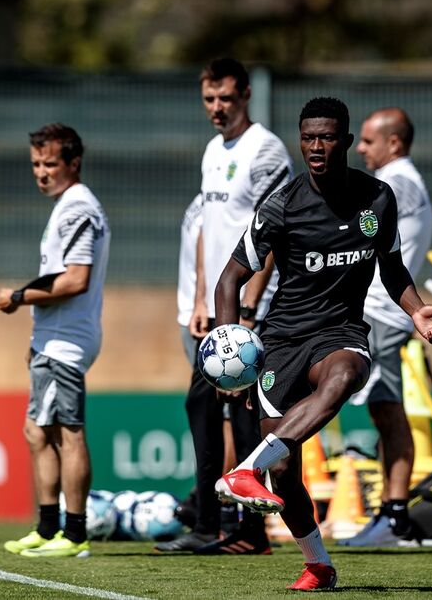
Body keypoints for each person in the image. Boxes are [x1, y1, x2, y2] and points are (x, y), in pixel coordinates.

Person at [212, 97, 432, 591]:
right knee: (285, 472)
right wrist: (227, 344)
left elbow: (391, 267)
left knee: (345, 375)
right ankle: (318, 563)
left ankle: (244, 469)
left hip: (341, 332)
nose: (316, 147)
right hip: (281, 340)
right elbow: (230, 279)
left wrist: (416, 311)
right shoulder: (281, 204)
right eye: (308, 138)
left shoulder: (378, 199)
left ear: (345, 141)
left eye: (326, 138)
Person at [154, 57, 292, 556]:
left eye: (226, 99)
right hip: (217, 308)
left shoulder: (266, 149)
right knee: (204, 406)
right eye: (209, 99)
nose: (216, 108)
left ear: (246, 95)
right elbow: (208, 229)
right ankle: (212, 524)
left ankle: (250, 531)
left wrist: (252, 302)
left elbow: (275, 232)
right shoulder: (214, 149)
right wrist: (198, 298)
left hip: (252, 307)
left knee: (247, 417)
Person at [0, 123, 110, 558]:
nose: (41, 172)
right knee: (37, 431)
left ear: (73, 163)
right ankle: (47, 527)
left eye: (49, 164)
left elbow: (75, 279)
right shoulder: (66, 205)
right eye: (36, 164)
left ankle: (76, 534)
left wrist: (18, 297)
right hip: (51, 336)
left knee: (68, 433)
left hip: (67, 339)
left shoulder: (80, 207)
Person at [339, 107, 432, 547]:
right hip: (380, 312)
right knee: (382, 407)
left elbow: (355, 237)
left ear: (394, 143)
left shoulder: (396, 185)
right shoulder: (405, 183)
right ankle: (391, 514)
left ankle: (396, 518)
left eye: (368, 141)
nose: (360, 148)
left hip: (381, 312)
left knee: (385, 407)